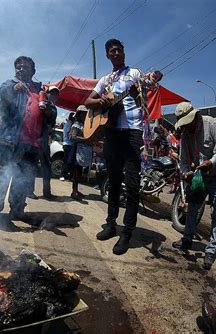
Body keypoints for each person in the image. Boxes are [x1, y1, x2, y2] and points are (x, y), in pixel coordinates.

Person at [84, 38, 162, 255]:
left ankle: (127, 232)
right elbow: (87, 101)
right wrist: (100, 102)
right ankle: (111, 224)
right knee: (114, 180)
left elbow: (145, 91)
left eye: (118, 50)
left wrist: (150, 82)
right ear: (108, 56)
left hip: (132, 132)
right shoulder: (106, 80)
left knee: (133, 184)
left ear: (124, 53)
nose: (116, 53)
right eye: (112, 51)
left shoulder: (135, 74)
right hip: (111, 132)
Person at [0, 56, 50, 222]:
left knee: (22, 180)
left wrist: (49, 111)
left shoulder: (41, 91)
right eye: (18, 67)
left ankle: (17, 210)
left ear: (33, 71)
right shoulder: (9, 84)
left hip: (31, 144)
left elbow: (51, 114)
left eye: (25, 67)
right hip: (8, 140)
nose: (21, 69)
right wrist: (13, 89)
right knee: (1, 177)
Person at [171, 102, 216, 270]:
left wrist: (211, 162)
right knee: (192, 207)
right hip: (198, 177)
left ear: (195, 117)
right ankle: (187, 239)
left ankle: (211, 249)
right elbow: (184, 160)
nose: (186, 127)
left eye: (188, 123)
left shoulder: (210, 124)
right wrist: (186, 173)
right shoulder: (186, 134)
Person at [38, 86, 59, 200]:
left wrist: (46, 108)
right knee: (30, 165)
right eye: (51, 93)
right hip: (34, 138)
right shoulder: (40, 100)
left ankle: (47, 192)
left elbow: (51, 115)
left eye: (56, 94)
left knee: (46, 166)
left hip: (44, 140)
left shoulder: (53, 108)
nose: (53, 95)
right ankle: (29, 191)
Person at [69, 105, 92, 200]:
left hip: (81, 151)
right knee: (76, 173)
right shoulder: (76, 125)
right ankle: (74, 192)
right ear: (79, 115)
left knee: (79, 173)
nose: (85, 116)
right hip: (76, 151)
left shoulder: (84, 125)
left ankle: (76, 190)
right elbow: (73, 137)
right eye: (84, 114)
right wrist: (86, 139)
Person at [60, 112, 75, 181]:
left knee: (68, 161)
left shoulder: (69, 124)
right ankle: (63, 175)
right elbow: (69, 135)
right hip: (68, 144)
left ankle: (66, 175)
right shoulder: (68, 124)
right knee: (66, 161)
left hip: (68, 144)